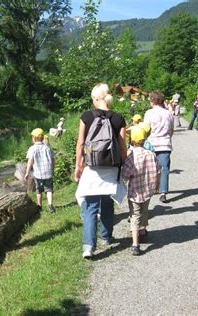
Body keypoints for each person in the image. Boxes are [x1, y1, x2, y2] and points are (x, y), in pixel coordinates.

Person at [74, 83, 127, 259]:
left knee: (90, 207)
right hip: (111, 167)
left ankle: (88, 247)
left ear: (96, 99)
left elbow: (81, 143)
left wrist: (78, 166)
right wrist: (125, 164)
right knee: (107, 201)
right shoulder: (119, 118)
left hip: (92, 167)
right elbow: (122, 146)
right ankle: (106, 236)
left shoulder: (86, 116)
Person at [121, 125, 161, 256]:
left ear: (131, 140)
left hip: (135, 192)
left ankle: (135, 244)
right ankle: (143, 230)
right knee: (144, 211)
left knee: (134, 216)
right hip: (148, 190)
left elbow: (125, 176)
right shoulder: (151, 154)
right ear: (144, 139)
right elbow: (158, 170)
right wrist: (156, 186)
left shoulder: (131, 156)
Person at [144, 92, 174, 203]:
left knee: (149, 168)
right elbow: (171, 130)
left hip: (151, 144)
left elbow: (146, 129)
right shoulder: (169, 114)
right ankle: (163, 192)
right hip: (165, 144)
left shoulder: (149, 113)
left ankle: (149, 189)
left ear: (153, 101)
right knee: (164, 168)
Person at [24, 128, 56, 213]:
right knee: (49, 189)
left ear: (34, 138)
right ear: (42, 138)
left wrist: (27, 172)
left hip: (38, 174)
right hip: (48, 173)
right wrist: (52, 170)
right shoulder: (47, 147)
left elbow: (30, 161)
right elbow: (53, 159)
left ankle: (39, 205)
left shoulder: (32, 148)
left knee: (39, 190)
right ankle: (50, 205)